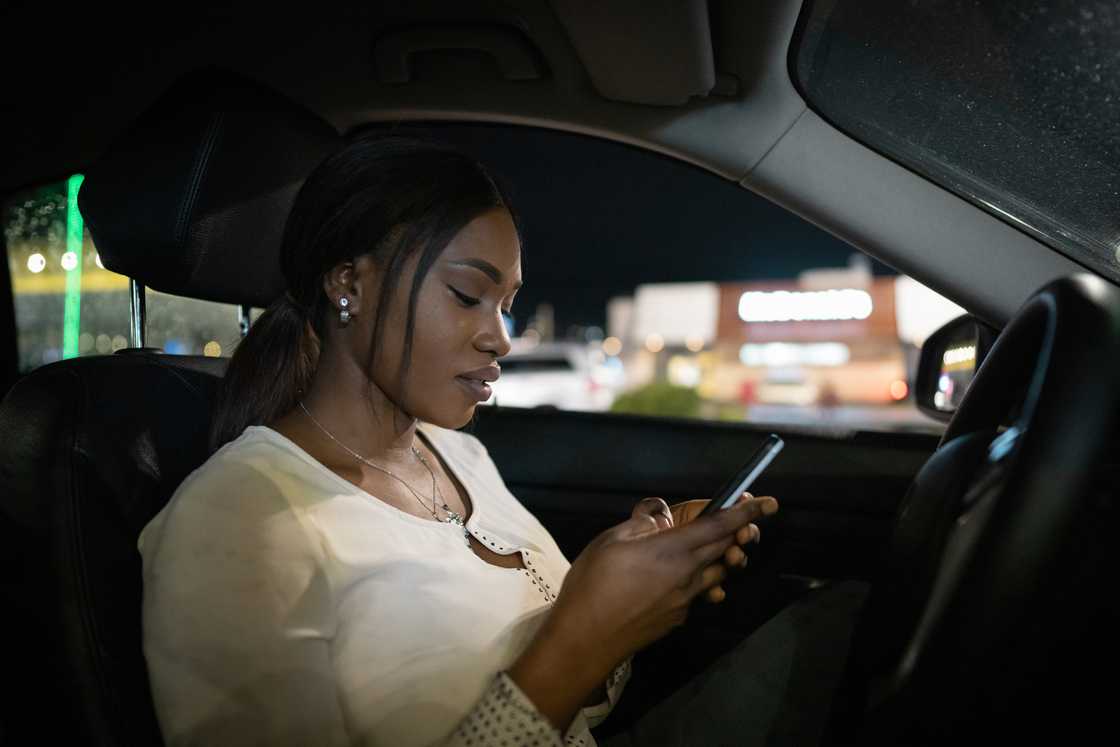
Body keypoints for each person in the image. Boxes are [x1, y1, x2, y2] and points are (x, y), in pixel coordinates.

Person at [138, 135, 859, 747]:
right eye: (466, 295)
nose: (501, 337)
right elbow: (560, 665)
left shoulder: (461, 456)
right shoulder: (237, 519)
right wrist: (582, 641)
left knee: (843, 622)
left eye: (508, 305)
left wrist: (631, 585)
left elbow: (571, 688)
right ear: (347, 282)